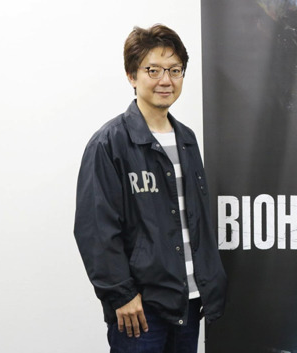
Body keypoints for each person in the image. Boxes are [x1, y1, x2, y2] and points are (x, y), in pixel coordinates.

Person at [74, 24, 226, 353]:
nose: (165, 80)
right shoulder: (109, 143)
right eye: (153, 70)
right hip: (140, 309)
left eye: (175, 70)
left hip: (189, 301)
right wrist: (121, 294)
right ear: (132, 75)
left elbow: (197, 220)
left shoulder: (187, 140)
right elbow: (95, 229)